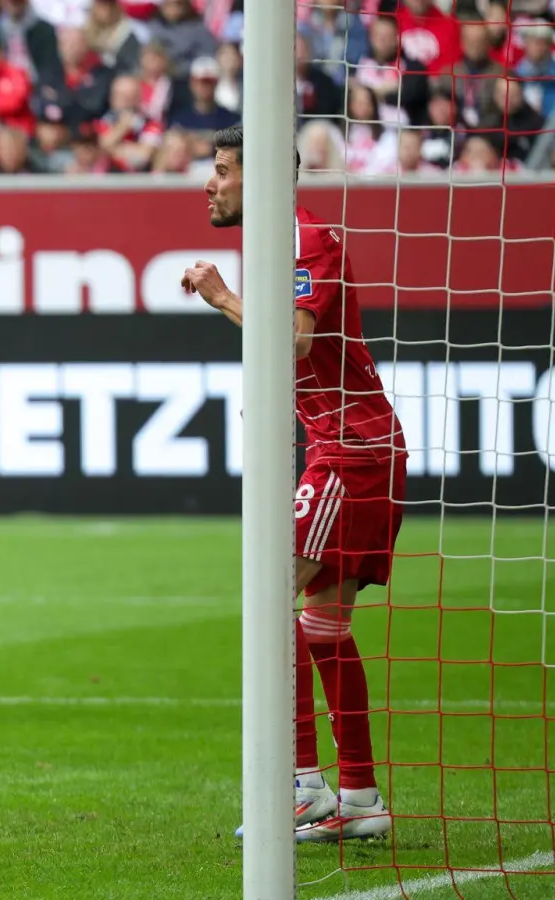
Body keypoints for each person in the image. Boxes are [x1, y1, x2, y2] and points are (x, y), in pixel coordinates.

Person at [181, 125, 402, 843]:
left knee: (272, 600)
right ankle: (361, 797)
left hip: (351, 453)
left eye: (221, 170)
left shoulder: (305, 239)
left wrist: (222, 298)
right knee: (322, 625)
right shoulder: (281, 245)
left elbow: (295, 339)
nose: (209, 183)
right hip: (347, 449)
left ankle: (303, 786)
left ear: (263, 177)